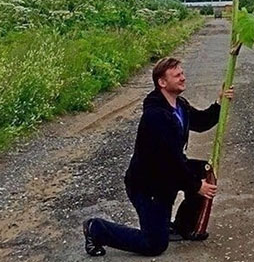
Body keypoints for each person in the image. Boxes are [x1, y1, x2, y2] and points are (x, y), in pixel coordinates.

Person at [82, 57, 234, 257]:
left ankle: (182, 227)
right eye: (177, 75)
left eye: (182, 73)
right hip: (148, 186)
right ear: (162, 82)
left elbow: (201, 122)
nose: (183, 77)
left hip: (166, 178)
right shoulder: (155, 116)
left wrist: (219, 102)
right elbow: (170, 162)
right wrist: (197, 186)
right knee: (154, 245)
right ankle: (96, 229)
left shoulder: (179, 105)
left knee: (203, 170)